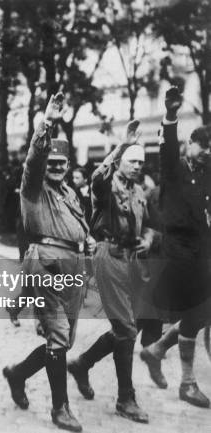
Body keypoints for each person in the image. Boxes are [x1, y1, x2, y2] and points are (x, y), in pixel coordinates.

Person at [2, 93, 94, 432]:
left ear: (69, 166)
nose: (55, 167)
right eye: (51, 162)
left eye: (61, 163)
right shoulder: (33, 189)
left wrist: (88, 244)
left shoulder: (70, 194)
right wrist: (47, 123)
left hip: (73, 267)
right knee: (57, 337)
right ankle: (61, 409)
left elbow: (78, 229)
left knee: (65, 340)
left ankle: (17, 373)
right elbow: (34, 160)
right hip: (47, 266)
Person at [67, 120, 152, 423]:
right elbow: (98, 175)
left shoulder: (141, 190)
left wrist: (149, 239)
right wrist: (121, 146)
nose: (138, 166)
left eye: (141, 162)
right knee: (127, 329)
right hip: (109, 254)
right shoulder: (105, 186)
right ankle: (125, 400)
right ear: (121, 162)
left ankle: (82, 363)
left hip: (133, 259)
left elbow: (151, 222)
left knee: (128, 326)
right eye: (132, 161)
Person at [139, 87, 211, 408]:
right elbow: (166, 147)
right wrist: (170, 116)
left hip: (201, 252)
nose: (207, 151)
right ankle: (187, 382)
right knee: (197, 311)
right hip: (178, 253)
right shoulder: (175, 170)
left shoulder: (208, 175)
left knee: (202, 311)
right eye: (202, 145)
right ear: (189, 145)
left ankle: (156, 351)